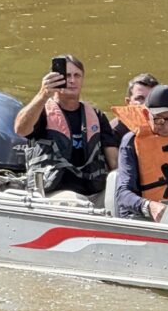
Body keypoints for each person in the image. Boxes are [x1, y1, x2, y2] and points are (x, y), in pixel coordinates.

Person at [12, 54, 118, 201]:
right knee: (77, 202)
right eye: (67, 76)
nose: (72, 80)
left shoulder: (96, 115)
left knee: (120, 200)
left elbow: (114, 161)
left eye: (77, 75)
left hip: (92, 190)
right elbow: (20, 129)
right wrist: (43, 94)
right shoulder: (42, 112)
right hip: (52, 191)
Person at [113, 85, 168, 221]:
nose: (166, 126)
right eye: (159, 119)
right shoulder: (131, 142)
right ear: (146, 114)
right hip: (140, 215)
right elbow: (122, 194)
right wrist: (149, 206)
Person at [108, 73, 160, 168]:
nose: (146, 104)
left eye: (151, 98)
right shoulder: (113, 131)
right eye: (140, 98)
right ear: (128, 102)